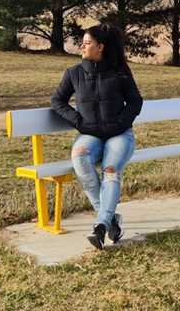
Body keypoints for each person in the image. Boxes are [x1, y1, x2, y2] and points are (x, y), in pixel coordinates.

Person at [50, 22, 144, 250]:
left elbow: (135, 101)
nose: (82, 46)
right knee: (80, 157)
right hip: (90, 135)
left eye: (87, 42)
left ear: (100, 47)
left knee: (110, 170)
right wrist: (80, 122)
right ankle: (110, 221)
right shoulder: (73, 73)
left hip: (119, 135)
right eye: (82, 42)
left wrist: (120, 123)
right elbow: (57, 101)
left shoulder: (120, 71)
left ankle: (101, 225)